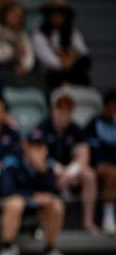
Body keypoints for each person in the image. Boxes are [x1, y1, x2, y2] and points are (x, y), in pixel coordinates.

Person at [0, 128, 69, 255]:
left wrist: (41, 169)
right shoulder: (12, 161)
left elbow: (54, 192)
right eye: (33, 145)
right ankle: (7, 249)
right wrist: (32, 197)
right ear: (25, 146)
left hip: (38, 207)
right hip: (15, 204)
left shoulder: (48, 164)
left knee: (56, 204)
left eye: (40, 145)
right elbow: (6, 191)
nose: (36, 149)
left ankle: (50, 250)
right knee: (15, 203)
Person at [36, 89, 98, 234]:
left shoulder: (75, 129)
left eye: (67, 113)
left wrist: (70, 172)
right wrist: (56, 169)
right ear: (53, 110)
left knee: (89, 175)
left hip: (70, 173)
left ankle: (88, 222)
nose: (64, 117)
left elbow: (84, 156)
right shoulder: (43, 127)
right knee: (40, 173)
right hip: (49, 169)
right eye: (60, 112)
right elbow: (37, 156)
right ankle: (43, 225)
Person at [32, 0, 91, 89]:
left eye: (60, 15)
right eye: (54, 15)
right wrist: (62, 63)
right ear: (48, 16)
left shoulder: (72, 32)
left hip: (73, 71)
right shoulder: (40, 33)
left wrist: (72, 60)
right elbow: (46, 59)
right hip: (50, 75)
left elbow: (83, 53)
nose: (57, 18)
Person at [85, 91, 116, 235]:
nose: (113, 109)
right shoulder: (95, 122)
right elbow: (89, 147)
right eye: (111, 106)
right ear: (105, 106)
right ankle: (108, 217)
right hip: (98, 164)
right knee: (113, 173)